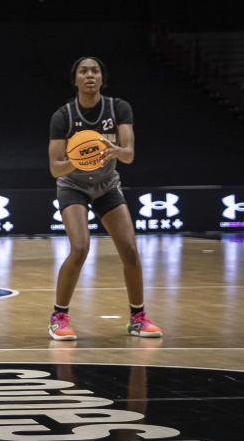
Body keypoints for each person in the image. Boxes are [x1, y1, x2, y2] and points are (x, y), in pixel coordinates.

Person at [47, 56, 162, 340]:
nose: (89, 75)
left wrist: (115, 151)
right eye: (83, 71)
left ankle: (138, 318)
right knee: (80, 247)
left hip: (108, 184)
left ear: (102, 78)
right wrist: (78, 160)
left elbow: (130, 154)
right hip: (73, 184)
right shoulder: (63, 115)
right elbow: (54, 168)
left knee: (130, 250)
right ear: (75, 80)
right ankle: (58, 317)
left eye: (95, 71)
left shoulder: (118, 108)